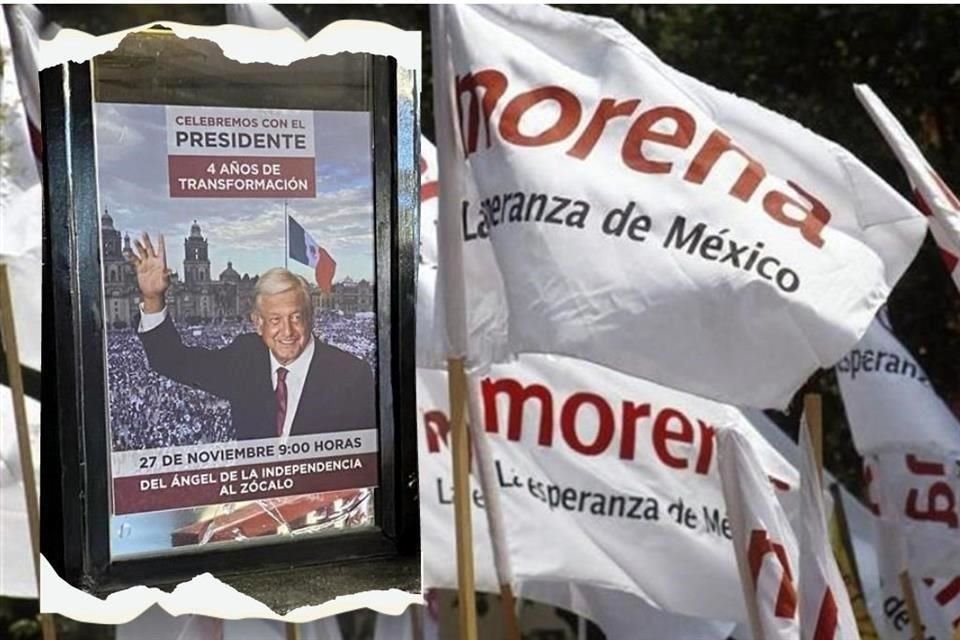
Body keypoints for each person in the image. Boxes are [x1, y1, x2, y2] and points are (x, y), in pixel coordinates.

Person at [128, 233, 375, 441]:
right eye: (275, 320)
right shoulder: (244, 358)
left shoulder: (351, 374)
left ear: (312, 317)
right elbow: (172, 361)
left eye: (296, 317)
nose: (287, 332)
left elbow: (364, 459)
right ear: (257, 323)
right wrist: (152, 299)